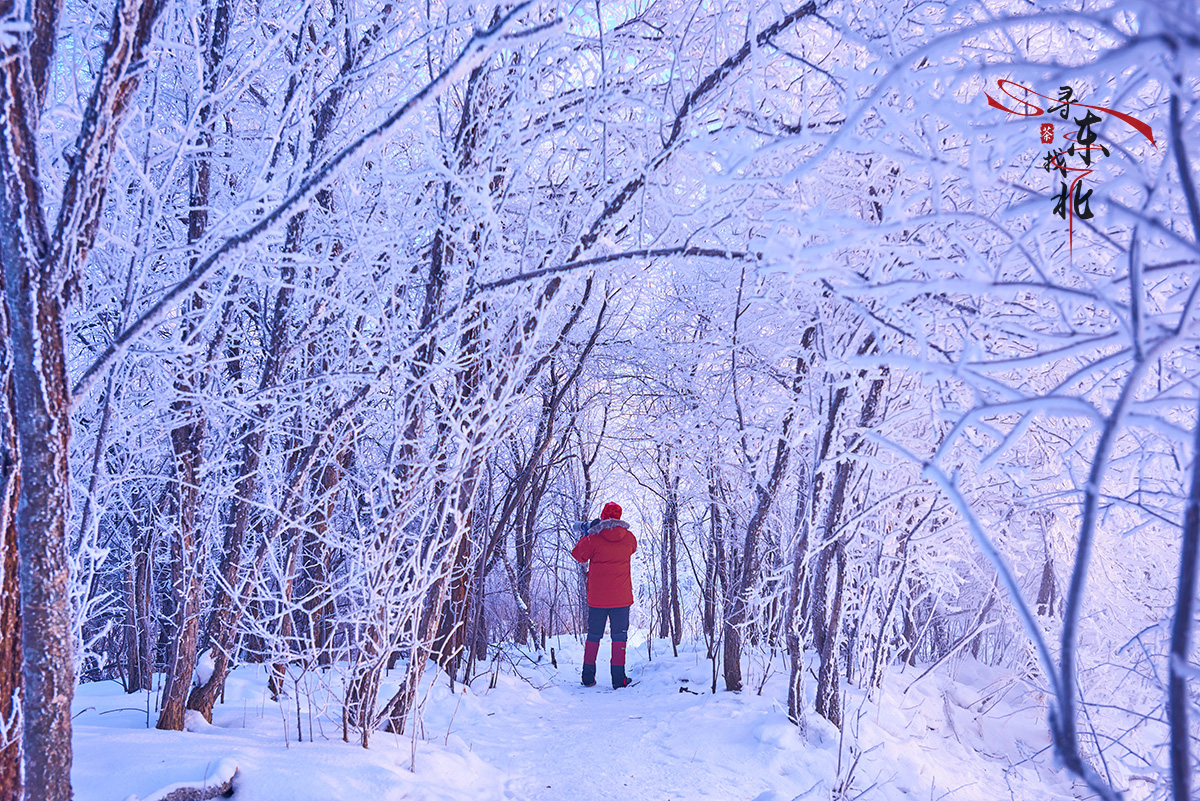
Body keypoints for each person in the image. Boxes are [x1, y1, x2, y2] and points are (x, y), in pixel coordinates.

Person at [571, 501, 637, 689]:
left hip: (598, 598)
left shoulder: (594, 539)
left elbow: (578, 554)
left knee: (593, 635)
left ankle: (588, 677)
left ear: (602, 516)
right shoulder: (629, 538)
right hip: (622, 598)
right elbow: (633, 548)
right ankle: (619, 679)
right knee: (619, 637)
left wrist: (588, 533)